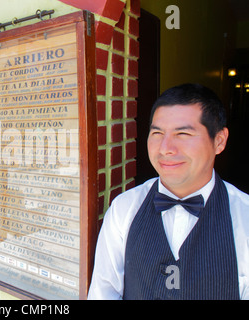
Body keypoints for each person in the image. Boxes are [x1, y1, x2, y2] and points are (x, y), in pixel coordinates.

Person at [88, 83, 249, 300]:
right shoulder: (125, 208)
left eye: (182, 133)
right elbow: (104, 292)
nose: (165, 148)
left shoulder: (244, 216)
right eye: (157, 133)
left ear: (219, 141)